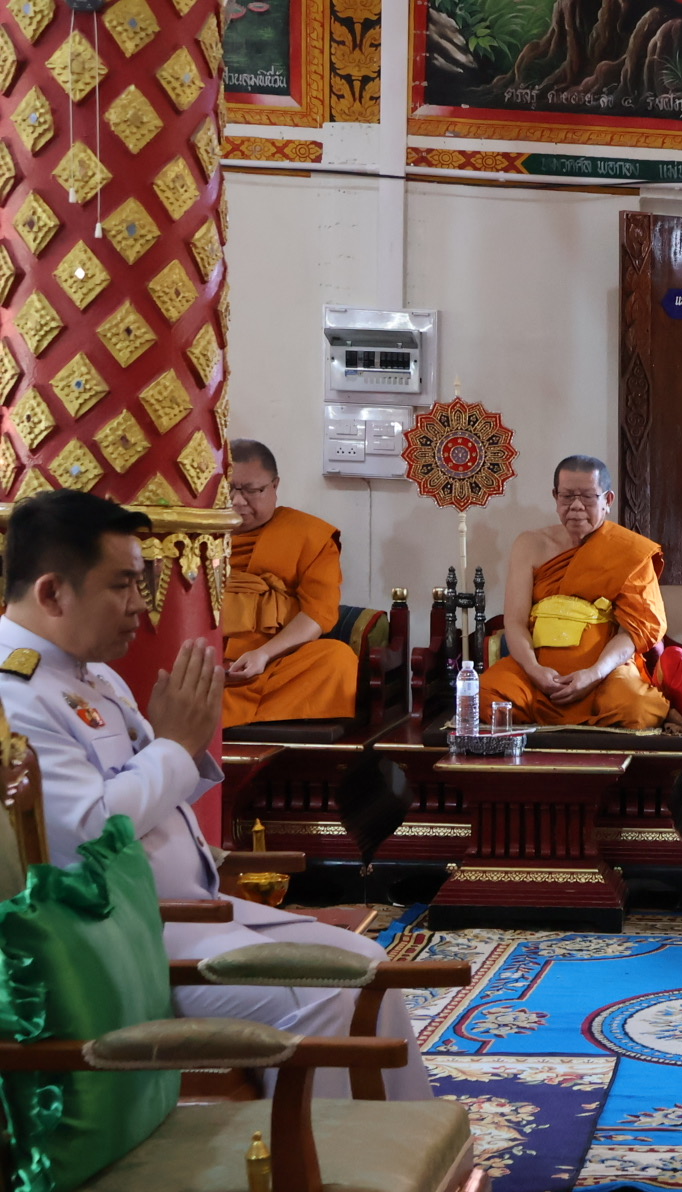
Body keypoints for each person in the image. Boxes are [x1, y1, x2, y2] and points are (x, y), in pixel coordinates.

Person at [0, 492, 429, 1099]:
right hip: (117, 934)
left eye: (142, 582)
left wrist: (178, 745)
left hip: (189, 912)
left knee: (370, 968)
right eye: (122, 585)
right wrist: (175, 744)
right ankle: (324, 1158)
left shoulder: (95, 675)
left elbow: (153, 786)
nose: (140, 605)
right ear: (51, 593)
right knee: (326, 996)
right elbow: (92, 833)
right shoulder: (15, 697)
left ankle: (402, 1146)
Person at [480, 456, 670, 728]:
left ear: (608, 500)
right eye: (568, 496)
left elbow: (634, 631)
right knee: (483, 695)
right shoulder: (530, 545)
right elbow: (515, 621)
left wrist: (594, 673)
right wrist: (534, 670)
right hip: (539, 671)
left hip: (605, 673)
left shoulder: (629, 553)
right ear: (555, 497)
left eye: (588, 497)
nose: (577, 506)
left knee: (637, 708)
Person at [220, 439, 358, 726]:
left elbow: (316, 616)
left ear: (275, 485)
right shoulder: (194, 534)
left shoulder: (309, 536)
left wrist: (263, 654)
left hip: (274, 664)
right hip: (208, 663)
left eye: (251, 490)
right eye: (228, 488)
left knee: (336, 659)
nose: (237, 501)